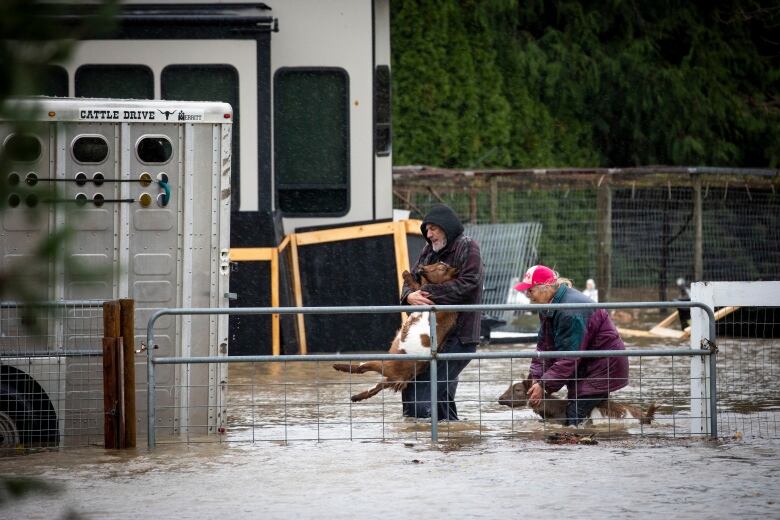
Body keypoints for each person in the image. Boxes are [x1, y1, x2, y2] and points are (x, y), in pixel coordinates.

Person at [515, 265, 628, 426]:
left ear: (545, 288)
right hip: (588, 366)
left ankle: (582, 447)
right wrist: (535, 378)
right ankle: (605, 438)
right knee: (590, 415)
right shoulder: (547, 306)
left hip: (601, 368)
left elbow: (569, 356)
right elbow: (544, 346)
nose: (527, 295)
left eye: (530, 290)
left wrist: (543, 385)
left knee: (573, 419)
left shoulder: (569, 311)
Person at [400, 204, 484, 420]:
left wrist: (426, 292)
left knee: (423, 396)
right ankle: (451, 443)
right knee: (428, 393)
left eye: (433, 229)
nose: (428, 235)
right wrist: (409, 296)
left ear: (446, 227)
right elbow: (411, 280)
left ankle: (426, 438)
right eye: (426, 231)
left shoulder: (468, 247)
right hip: (428, 337)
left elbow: (469, 284)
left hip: (460, 336)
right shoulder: (428, 250)